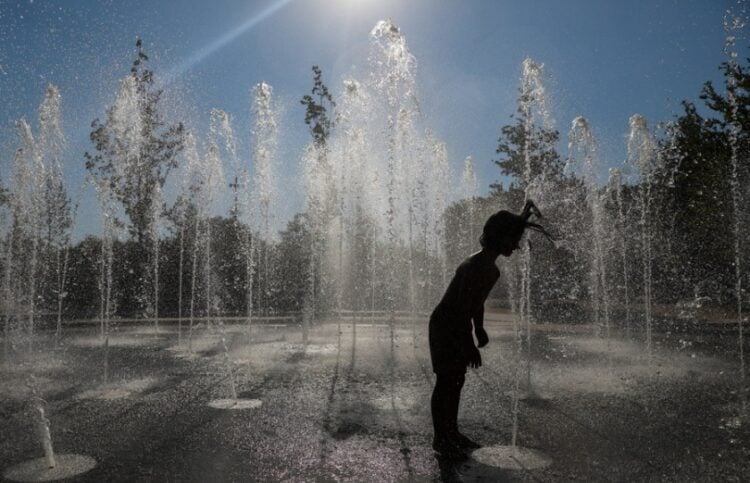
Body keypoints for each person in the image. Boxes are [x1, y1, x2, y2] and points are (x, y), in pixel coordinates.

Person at [429, 200, 553, 458]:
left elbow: (476, 303)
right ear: (500, 237)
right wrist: (469, 344)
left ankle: (451, 431)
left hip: (457, 324)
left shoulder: (492, 271)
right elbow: (461, 309)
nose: (517, 245)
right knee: (445, 381)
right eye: (514, 239)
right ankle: (440, 437)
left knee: (457, 379)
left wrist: (480, 328)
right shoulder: (475, 266)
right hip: (445, 325)